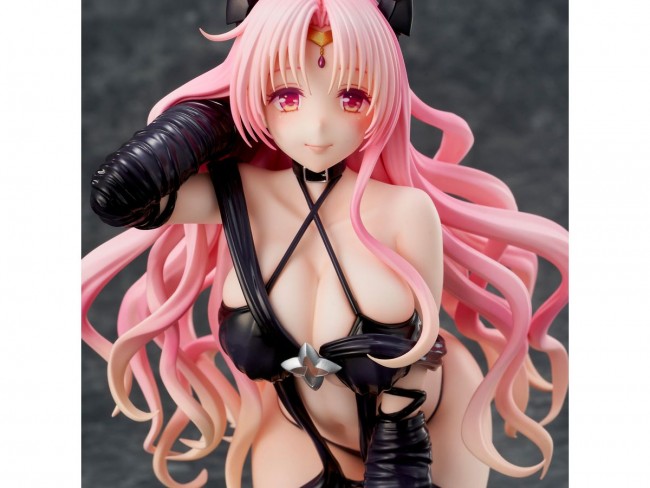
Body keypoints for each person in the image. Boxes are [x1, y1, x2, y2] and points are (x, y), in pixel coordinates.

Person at [82, 1, 568, 487]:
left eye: (353, 97)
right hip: (298, 428)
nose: (317, 125)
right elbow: (121, 197)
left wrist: (398, 458)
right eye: (287, 95)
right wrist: (220, 115)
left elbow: (421, 348)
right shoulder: (240, 198)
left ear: (385, 99)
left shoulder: (406, 212)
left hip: (425, 424)